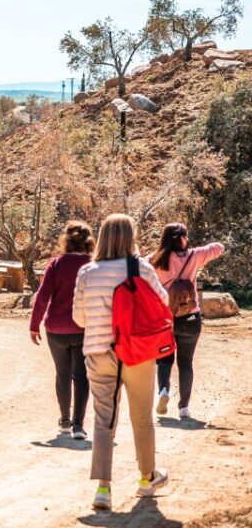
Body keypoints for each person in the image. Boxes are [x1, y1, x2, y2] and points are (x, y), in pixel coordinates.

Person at [73, 214, 169, 511]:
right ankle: (147, 478)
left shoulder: (87, 272)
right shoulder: (141, 268)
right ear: (131, 237)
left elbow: (79, 318)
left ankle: (103, 489)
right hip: (137, 352)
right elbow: (163, 302)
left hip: (99, 353)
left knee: (104, 420)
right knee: (141, 417)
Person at [149, 223, 224, 419]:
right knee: (186, 363)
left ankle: (163, 390)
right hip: (190, 317)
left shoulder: (154, 259)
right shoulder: (195, 255)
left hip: (164, 318)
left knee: (164, 360)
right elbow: (219, 247)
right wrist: (195, 250)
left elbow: (137, 267)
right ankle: (184, 407)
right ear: (183, 238)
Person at [30, 221, 95, 439]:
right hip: (83, 328)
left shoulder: (56, 264)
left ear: (66, 240)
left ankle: (64, 421)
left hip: (56, 329)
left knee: (62, 374)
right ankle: (78, 425)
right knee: (81, 376)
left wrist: (34, 324)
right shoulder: (93, 265)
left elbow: (42, 296)